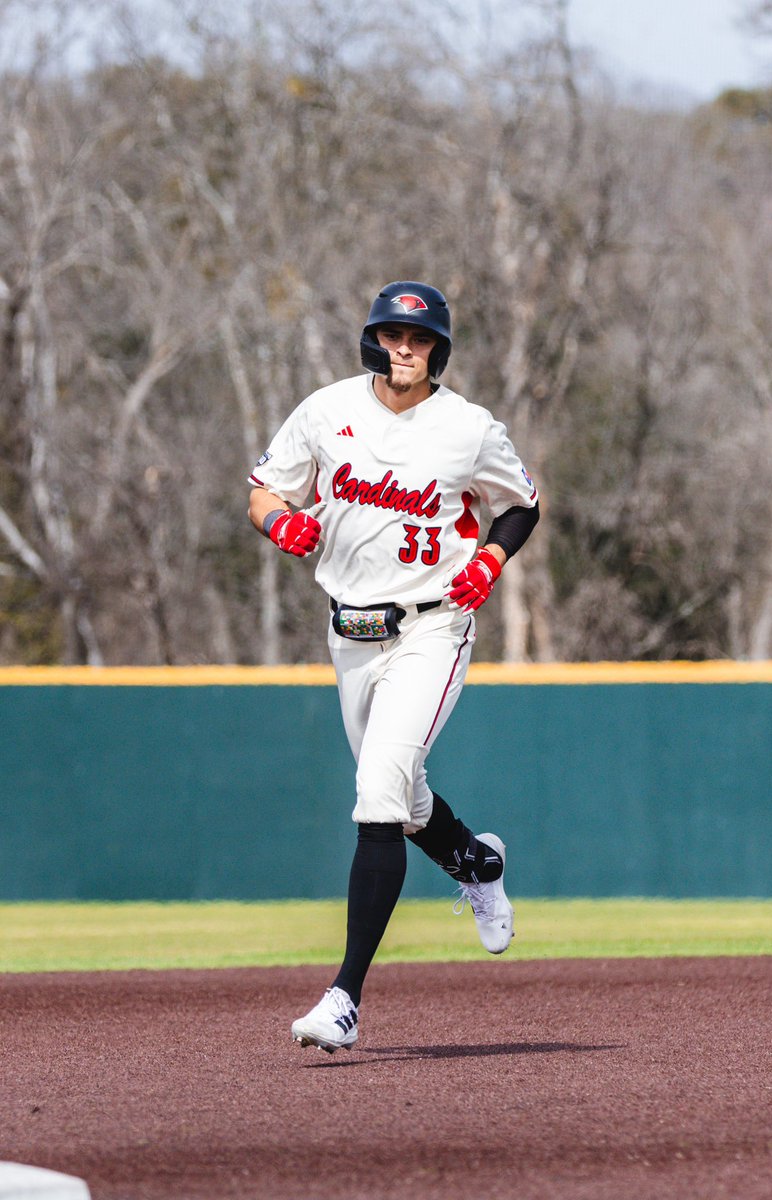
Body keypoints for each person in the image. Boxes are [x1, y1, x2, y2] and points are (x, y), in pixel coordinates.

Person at [247, 281, 539, 1053]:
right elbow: (263, 491)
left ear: (438, 348)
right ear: (374, 340)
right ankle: (476, 861)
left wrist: (490, 561)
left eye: (420, 339)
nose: (405, 349)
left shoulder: (468, 428)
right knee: (403, 800)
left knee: (377, 792)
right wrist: (280, 521)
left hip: (433, 628)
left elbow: (522, 503)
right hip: (352, 633)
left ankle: (344, 997)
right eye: (392, 335)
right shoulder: (327, 409)